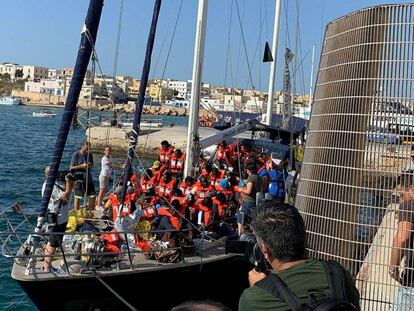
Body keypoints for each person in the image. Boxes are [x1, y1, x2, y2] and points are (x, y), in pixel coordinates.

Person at [239, 202, 360, 311]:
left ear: (265, 250)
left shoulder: (253, 299)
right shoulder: (337, 272)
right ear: (304, 236)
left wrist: (260, 287)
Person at [41, 166, 74, 273]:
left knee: (52, 242)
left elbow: (67, 191)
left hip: (61, 217)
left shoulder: (55, 183)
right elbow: (65, 197)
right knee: (53, 243)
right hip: (57, 219)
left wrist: (70, 182)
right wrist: (68, 184)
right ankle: (47, 268)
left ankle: (48, 266)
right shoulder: (49, 186)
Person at [390, 173, 414, 310]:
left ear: (412, 189)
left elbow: (402, 239)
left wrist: (393, 268)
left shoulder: (409, 205)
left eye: (402, 196)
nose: (401, 201)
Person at [237, 163, 261, 235]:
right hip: (255, 201)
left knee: (240, 219)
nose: (246, 172)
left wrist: (241, 189)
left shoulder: (251, 178)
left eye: (247, 170)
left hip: (249, 202)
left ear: (249, 170)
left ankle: (240, 235)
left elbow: (248, 191)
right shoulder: (258, 177)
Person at [70, 141, 96, 210]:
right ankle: (76, 212)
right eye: (86, 149)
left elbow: (91, 165)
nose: (87, 150)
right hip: (79, 178)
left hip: (88, 178)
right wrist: (81, 166)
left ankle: (91, 211)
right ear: (82, 147)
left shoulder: (89, 155)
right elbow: (71, 167)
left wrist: (89, 165)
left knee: (92, 195)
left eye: (88, 149)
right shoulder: (76, 154)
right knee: (78, 197)